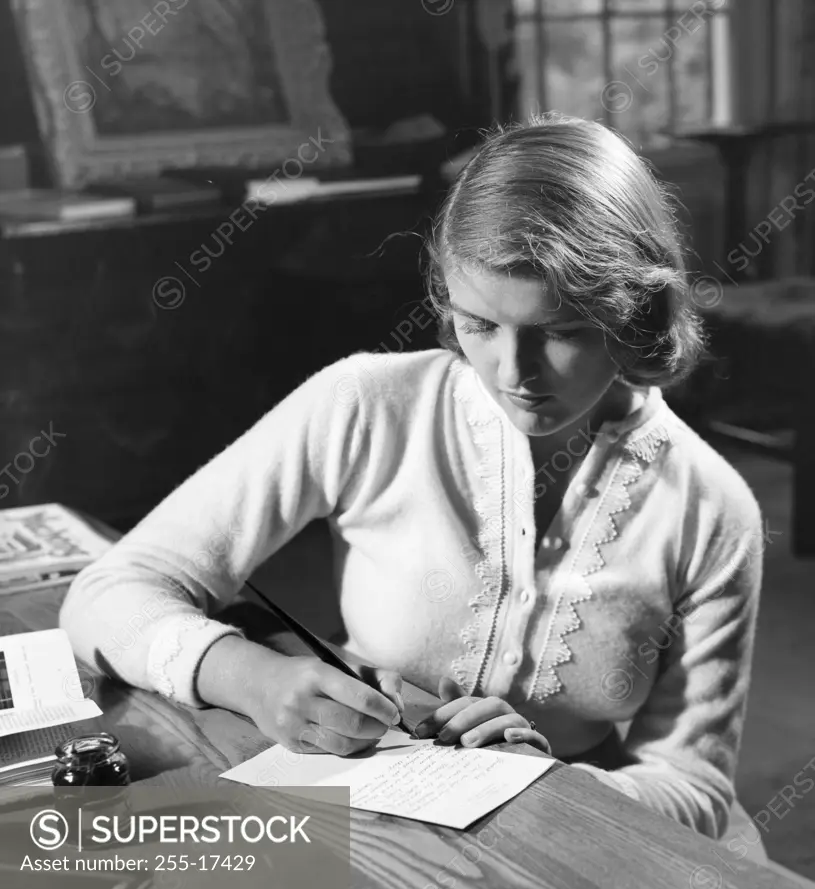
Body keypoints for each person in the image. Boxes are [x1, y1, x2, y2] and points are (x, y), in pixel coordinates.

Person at [60, 113, 763, 840]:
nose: (511, 373)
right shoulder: (365, 404)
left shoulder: (711, 510)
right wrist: (250, 677)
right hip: (362, 804)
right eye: (479, 324)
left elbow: (694, 785)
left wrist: (550, 781)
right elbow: (106, 595)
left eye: (558, 331)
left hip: (579, 834)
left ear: (636, 311)